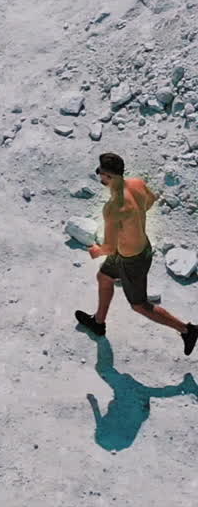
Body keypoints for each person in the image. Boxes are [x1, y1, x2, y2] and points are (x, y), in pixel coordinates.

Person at [74, 151, 198, 355]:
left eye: (101, 174)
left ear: (108, 177)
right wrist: (132, 221)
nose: (100, 177)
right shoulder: (137, 183)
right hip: (140, 247)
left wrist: (96, 250)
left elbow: (109, 248)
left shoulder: (113, 208)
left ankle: (188, 330)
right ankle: (98, 322)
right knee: (104, 277)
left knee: (139, 305)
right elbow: (150, 200)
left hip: (132, 261)